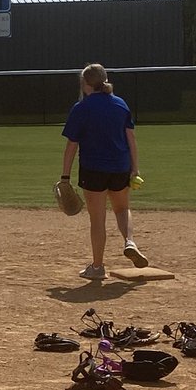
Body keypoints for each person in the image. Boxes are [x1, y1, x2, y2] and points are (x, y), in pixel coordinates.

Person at [61, 62, 147, 281]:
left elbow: (72, 145)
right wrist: (134, 167)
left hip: (93, 169)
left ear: (85, 84)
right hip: (120, 166)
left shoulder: (81, 108)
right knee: (122, 208)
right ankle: (130, 241)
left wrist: (65, 176)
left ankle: (98, 267)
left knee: (97, 220)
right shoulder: (120, 104)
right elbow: (131, 138)